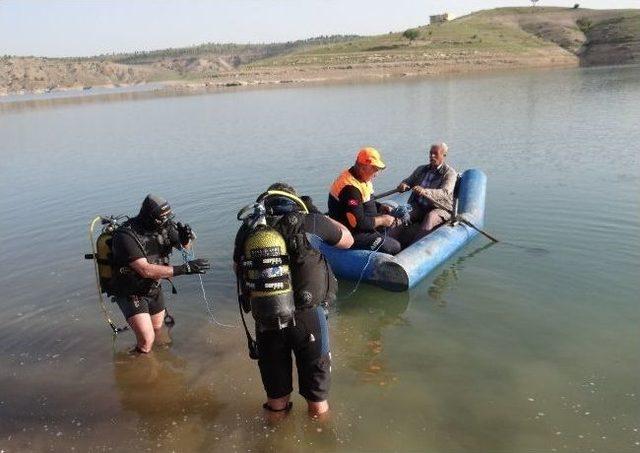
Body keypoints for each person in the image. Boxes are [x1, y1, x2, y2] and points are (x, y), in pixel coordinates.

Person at [234, 183, 353, 417]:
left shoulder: (249, 230)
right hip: (308, 317)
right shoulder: (309, 221)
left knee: (275, 400)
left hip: (267, 315)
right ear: (294, 201)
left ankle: (275, 440)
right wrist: (314, 213)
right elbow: (347, 240)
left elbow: (238, 268)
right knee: (317, 401)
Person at [110, 194, 210, 353]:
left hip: (153, 288)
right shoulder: (125, 236)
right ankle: (137, 368)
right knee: (146, 340)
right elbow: (145, 269)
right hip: (131, 292)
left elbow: (185, 249)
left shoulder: (166, 227)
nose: (165, 220)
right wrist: (185, 269)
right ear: (149, 216)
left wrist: (185, 240)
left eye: (167, 216)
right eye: (161, 217)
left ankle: (155, 367)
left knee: (158, 330)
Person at [327, 147, 401, 255]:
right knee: (394, 247)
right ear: (363, 168)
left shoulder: (361, 178)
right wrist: (382, 220)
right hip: (353, 233)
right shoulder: (350, 189)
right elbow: (357, 223)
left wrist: (379, 206)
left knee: (399, 227)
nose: (376, 174)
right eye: (375, 169)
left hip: (366, 224)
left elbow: (364, 202)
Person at [396, 142, 458, 244]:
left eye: (435, 154)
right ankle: (389, 241)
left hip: (439, 208)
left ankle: (415, 247)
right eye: (430, 153)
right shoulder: (421, 169)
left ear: (444, 155)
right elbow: (408, 181)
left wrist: (425, 191)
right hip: (420, 206)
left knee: (431, 217)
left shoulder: (449, 173)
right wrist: (403, 185)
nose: (432, 156)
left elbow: (445, 192)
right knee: (403, 213)